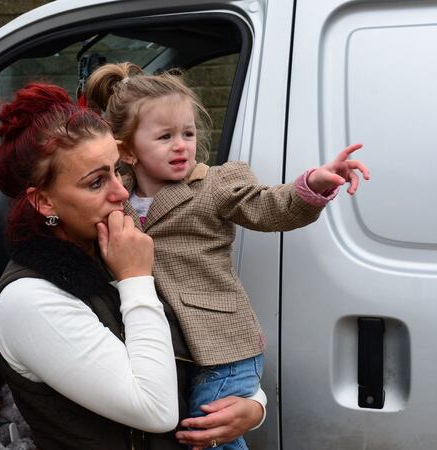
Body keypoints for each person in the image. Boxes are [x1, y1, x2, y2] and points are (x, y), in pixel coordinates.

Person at [85, 62, 370, 449]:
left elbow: (269, 206)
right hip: (169, 349)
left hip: (222, 347)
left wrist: (312, 185)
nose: (181, 145)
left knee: (208, 436)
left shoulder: (214, 184)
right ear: (127, 151)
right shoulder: (118, 195)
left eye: (187, 133)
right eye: (165, 136)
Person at [0, 82, 266, 450]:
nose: (121, 192)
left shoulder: (109, 249)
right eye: (96, 182)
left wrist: (252, 406)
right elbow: (156, 410)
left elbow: (190, 349)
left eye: (117, 171)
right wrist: (136, 279)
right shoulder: (29, 299)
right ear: (44, 202)